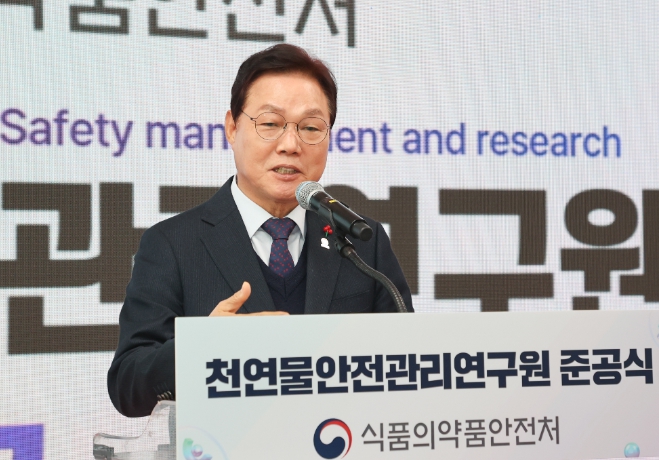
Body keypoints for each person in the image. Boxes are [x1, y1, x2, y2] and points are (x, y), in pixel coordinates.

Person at [107, 44, 414, 417]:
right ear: (232, 128)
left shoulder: (362, 241)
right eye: (270, 124)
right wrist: (201, 348)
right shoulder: (173, 244)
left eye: (311, 127)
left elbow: (409, 365)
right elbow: (128, 385)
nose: (291, 145)